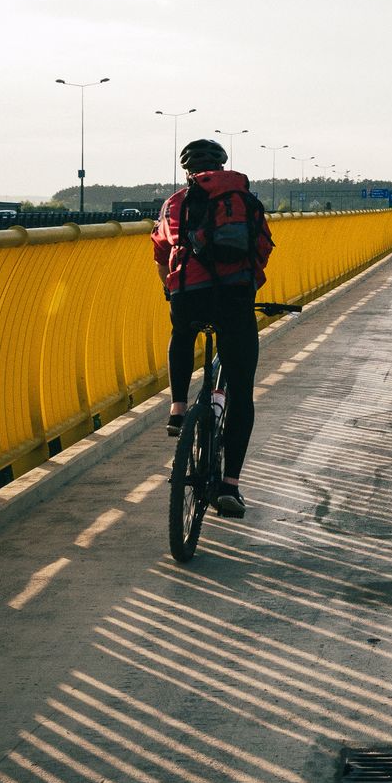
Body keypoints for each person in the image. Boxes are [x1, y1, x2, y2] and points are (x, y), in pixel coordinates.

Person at [151, 138, 274, 518]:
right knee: (241, 392)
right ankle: (230, 487)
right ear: (223, 168)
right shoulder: (245, 201)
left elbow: (160, 250)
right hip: (234, 300)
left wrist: (170, 290)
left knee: (182, 332)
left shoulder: (175, 203)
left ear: (188, 170)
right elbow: (263, 248)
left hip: (190, 295)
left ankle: (177, 409)